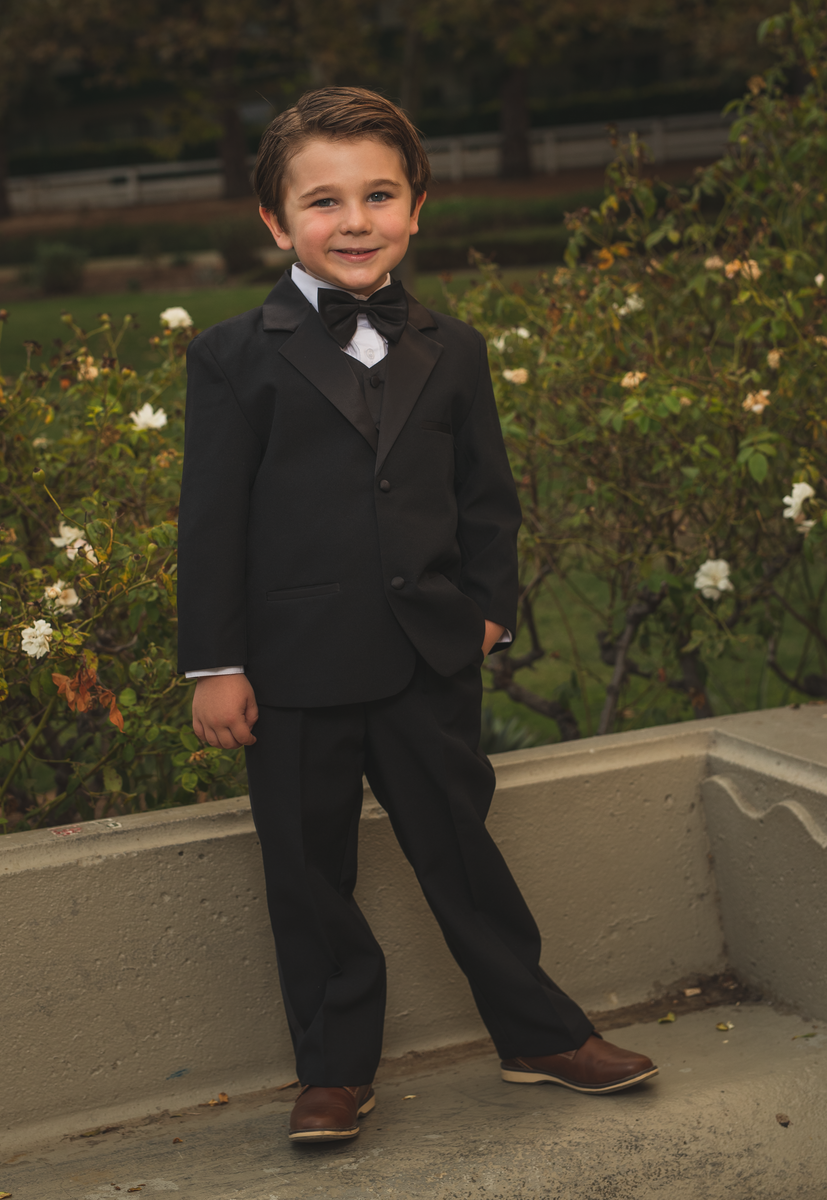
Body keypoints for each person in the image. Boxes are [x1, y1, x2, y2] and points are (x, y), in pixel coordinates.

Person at [177, 86, 657, 1145]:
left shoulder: (457, 347)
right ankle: (335, 1071)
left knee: (462, 854)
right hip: (294, 669)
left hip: (426, 656)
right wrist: (216, 664)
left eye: (379, 195)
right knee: (309, 876)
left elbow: (488, 497)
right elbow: (210, 522)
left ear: (418, 206)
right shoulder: (231, 357)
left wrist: (489, 611)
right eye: (323, 201)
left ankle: (538, 1033)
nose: (354, 221)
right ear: (273, 221)